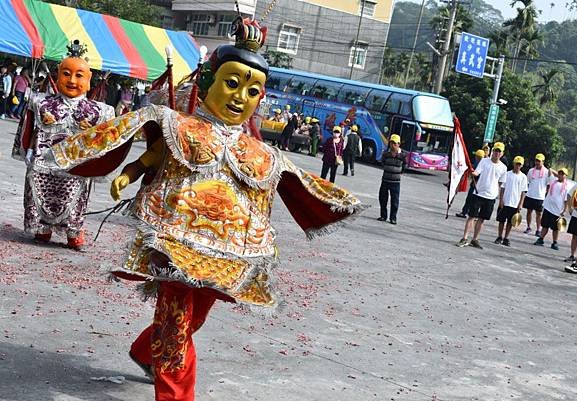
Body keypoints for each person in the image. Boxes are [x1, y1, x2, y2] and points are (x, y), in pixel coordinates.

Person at [41, 18, 363, 401]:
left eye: (252, 90)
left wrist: (334, 201)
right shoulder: (179, 125)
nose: (240, 97)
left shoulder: (261, 152)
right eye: (232, 83)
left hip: (227, 252)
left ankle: (146, 351)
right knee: (176, 324)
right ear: (210, 82)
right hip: (172, 241)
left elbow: (297, 180)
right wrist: (128, 173)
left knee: (194, 318)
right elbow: (150, 151)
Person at [11, 40, 115, 249]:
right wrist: (28, 151)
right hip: (43, 163)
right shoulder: (41, 103)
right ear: (58, 76)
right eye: (66, 74)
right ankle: (43, 229)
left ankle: (73, 231)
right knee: (38, 191)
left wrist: (99, 166)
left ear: (88, 81)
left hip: (75, 168)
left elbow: (105, 142)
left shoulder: (100, 111)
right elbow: (29, 128)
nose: (72, 80)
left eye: (79, 75)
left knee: (75, 200)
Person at [456, 142, 507, 249]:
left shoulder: (503, 167)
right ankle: (464, 238)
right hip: (478, 193)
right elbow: (476, 173)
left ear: (502, 153)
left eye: (499, 151)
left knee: (482, 219)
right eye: (495, 151)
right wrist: (470, 171)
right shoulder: (484, 161)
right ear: (492, 151)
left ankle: (475, 239)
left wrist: (496, 195)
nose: (497, 153)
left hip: (491, 196)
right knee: (471, 217)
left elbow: (500, 183)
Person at [494, 156, 528, 246]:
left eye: (519, 164)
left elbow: (523, 192)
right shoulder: (507, 174)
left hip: (515, 203)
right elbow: (502, 188)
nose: (517, 166)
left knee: (510, 222)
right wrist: (501, 200)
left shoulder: (523, 177)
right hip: (505, 201)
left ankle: (506, 237)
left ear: (522, 166)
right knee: (501, 220)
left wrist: (521, 203)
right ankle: (499, 236)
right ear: (513, 163)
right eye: (516, 164)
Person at [533, 168, 569, 250]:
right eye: (560, 173)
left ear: (566, 176)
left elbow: (566, 200)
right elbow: (550, 170)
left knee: (555, 228)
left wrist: (564, 210)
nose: (560, 175)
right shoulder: (553, 181)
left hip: (557, 211)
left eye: (563, 174)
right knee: (545, 225)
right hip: (548, 207)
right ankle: (541, 239)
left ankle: (554, 242)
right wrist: (558, 175)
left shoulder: (566, 187)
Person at [377, 134, 405, 225]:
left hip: (395, 182)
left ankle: (393, 218)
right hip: (385, 180)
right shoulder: (386, 154)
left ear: (398, 144)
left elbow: (404, 166)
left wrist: (398, 172)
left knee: (395, 200)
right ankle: (383, 216)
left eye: (395, 143)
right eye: (391, 143)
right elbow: (382, 163)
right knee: (382, 198)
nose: (393, 145)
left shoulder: (402, 155)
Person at [524, 153, 552, 236]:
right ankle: (528, 227)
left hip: (540, 196)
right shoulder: (531, 171)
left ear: (543, 162)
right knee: (529, 211)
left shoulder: (547, 172)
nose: (537, 163)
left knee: (539, 214)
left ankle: (538, 229)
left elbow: (548, 184)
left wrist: (545, 195)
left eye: (539, 161)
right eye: (536, 160)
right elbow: (528, 182)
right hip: (530, 195)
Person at [456, 149, 485, 218]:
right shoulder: (476, 163)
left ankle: (475, 215)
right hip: (473, 184)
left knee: (476, 201)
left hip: (479, 185)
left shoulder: (483, 164)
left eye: (477, 156)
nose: (476, 158)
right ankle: (464, 212)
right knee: (469, 199)